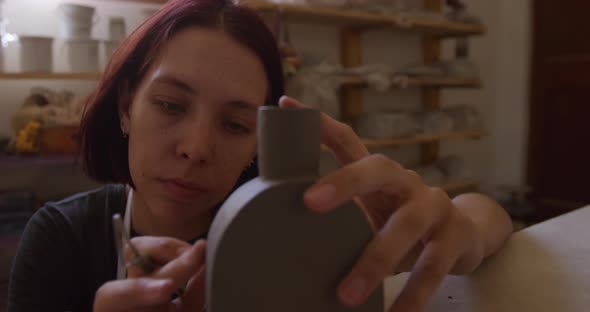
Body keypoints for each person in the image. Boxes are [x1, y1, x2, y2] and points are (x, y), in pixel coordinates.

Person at [7, 0, 513, 311]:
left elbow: (488, 217)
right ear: (125, 109)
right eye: (169, 105)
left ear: (261, 137)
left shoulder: (292, 235)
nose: (196, 148)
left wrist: (457, 228)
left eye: (234, 124)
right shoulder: (62, 238)